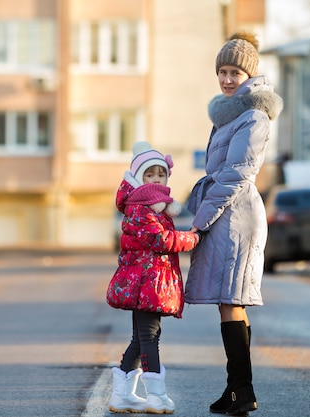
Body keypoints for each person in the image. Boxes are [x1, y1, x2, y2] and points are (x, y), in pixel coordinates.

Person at [185, 32, 283, 416]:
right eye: (222, 71)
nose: (227, 79)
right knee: (231, 302)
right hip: (228, 213)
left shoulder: (253, 116)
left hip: (236, 216)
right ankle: (236, 389)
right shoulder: (230, 114)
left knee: (232, 300)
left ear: (250, 75)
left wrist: (200, 222)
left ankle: (241, 389)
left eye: (236, 72)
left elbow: (236, 173)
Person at [107, 141, 201, 414]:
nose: (156, 179)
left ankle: (121, 395)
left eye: (161, 174)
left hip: (148, 282)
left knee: (141, 338)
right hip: (144, 283)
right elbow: (159, 240)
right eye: (150, 175)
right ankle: (156, 397)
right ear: (139, 178)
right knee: (150, 337)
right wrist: (192, 238)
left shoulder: (153, 207)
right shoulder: (140, 208)